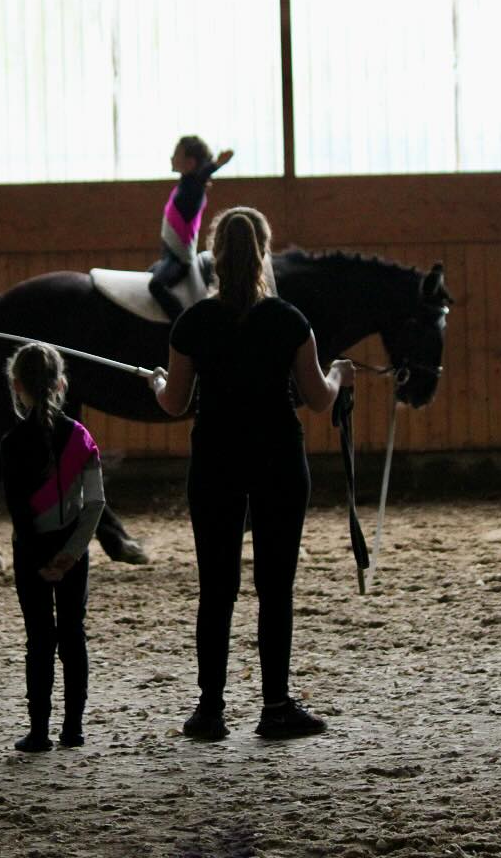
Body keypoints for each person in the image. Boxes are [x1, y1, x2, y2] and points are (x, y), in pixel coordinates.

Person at [149, 206, 354, 741]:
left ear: (214, 256)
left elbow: (174, 402)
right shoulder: (288, 320)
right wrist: (337, 375)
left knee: (216, 589)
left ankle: (210, 710)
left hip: (215, 460)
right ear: (263, 253)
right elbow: (317, 398)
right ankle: (276, 706)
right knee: (275, 587)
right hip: (278, 458)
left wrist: (156, 383)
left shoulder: (194, 322)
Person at [0, 343, 106, 752]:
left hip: (31, 554)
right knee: (73, 635)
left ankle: (39, 731)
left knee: (39, 640)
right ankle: (73, 729)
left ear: (17, 385)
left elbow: (18, 511)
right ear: (61, 384)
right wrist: (70, 554)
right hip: (72, 552)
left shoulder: (11, 442)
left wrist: (40, 559)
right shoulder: (81, 438)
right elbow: (95, 503)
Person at [148, 136, 234, 321]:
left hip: (180, 260)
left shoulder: (193, 188)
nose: (171, 158)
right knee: (147, 275)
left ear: (190, 162)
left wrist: (216, 165)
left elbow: (200, 177)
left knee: (156, 286)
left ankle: (184, 323)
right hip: (168, 258)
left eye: (176, 154)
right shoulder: (184, 185)